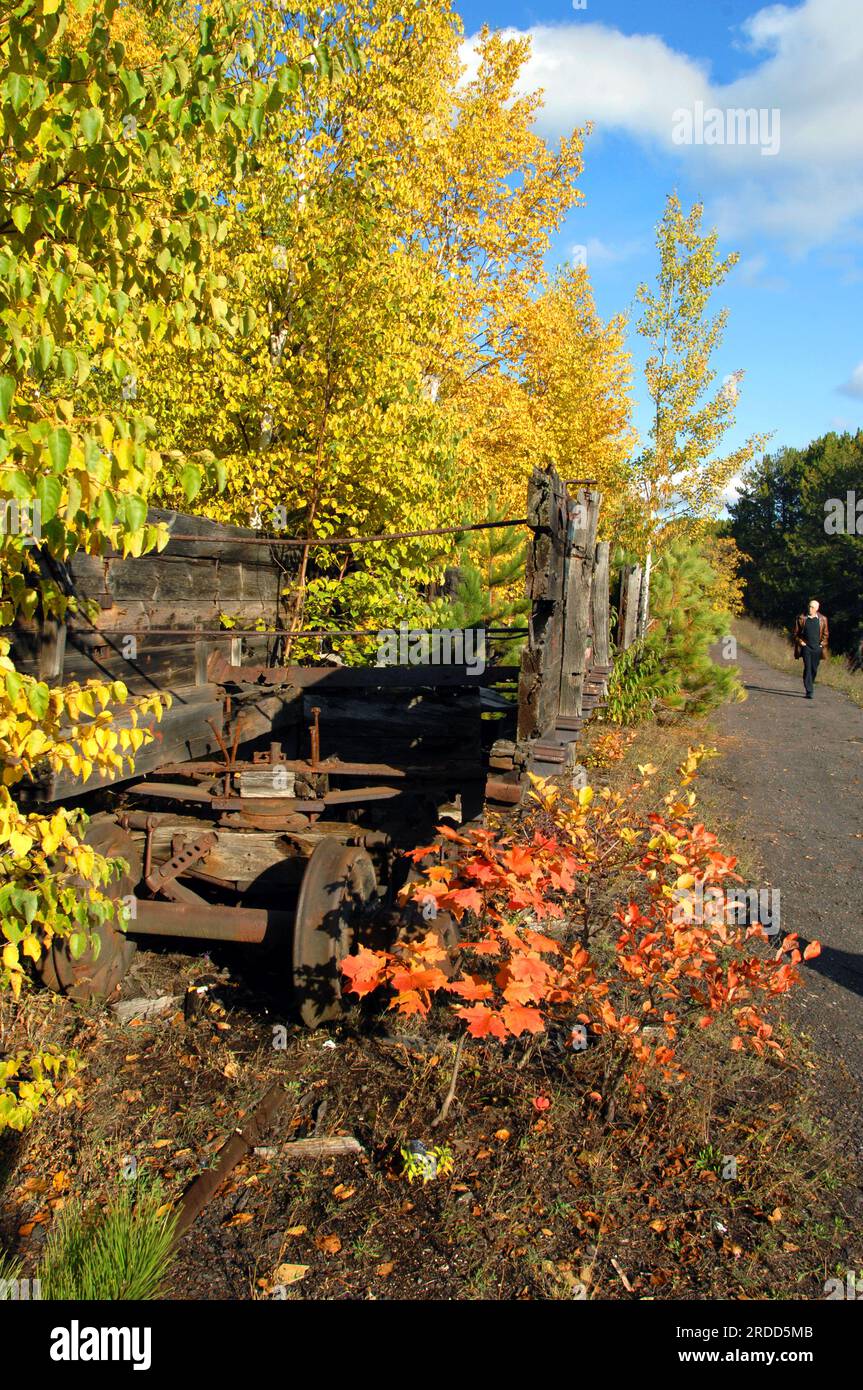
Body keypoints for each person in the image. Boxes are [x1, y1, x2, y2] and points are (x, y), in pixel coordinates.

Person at [793, 599, 829, 699]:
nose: (810, 608)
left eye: (812, 607)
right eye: (809, 606)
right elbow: (795, 634)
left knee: (814, 669)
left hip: (817, 648)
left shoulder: (822, 619)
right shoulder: (801, 618)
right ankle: (809, 691)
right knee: (808, 668)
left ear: (817, 608)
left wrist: (822, 644)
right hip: (806, 648)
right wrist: (801, 642)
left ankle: (810, 683)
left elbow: (826, 634)